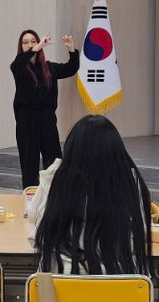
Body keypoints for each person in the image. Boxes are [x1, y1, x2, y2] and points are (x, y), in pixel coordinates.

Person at [33, 115, 152, 275]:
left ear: (71, 149)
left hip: (62, 280)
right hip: (120, 281)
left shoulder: (58, 176)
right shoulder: (129, 180)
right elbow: (140, 234)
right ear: (117, 150)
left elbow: (36, 220)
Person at [11, 29, 79, 189]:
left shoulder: (49, 67)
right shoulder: (19, 67)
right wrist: (38, 46)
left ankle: (56, 195)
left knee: (54, 160)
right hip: (26, 123)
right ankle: (31, 197)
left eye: (33, 41)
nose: (29, 45)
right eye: (25, 42)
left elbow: (71, 68)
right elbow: (19, 63)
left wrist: (71, 49)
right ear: (21, 46)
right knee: (29, 163)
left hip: (47, 120)